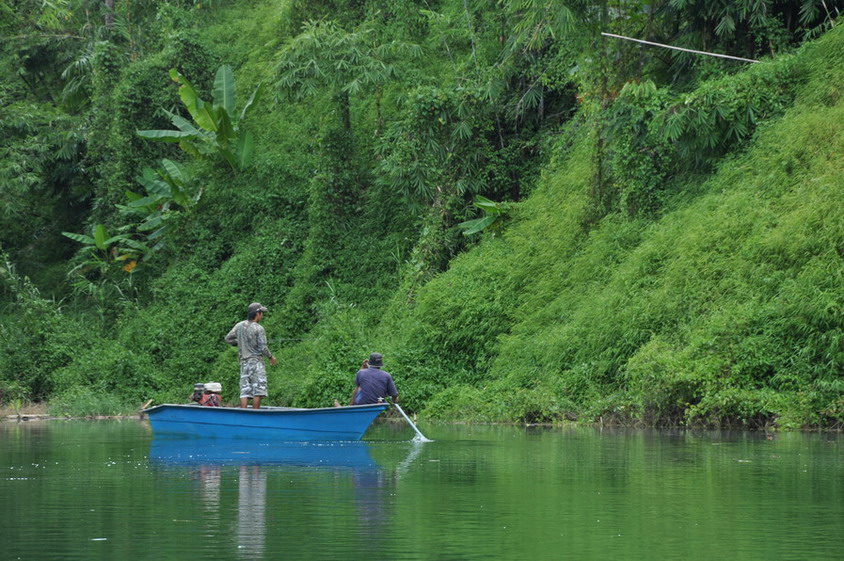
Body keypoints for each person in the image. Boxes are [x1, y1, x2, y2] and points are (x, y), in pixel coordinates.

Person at [225, 302, 277, 409]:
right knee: (258, 390)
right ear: (257, 314)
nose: (262, 315)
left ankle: (244, 415)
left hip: (244, 362)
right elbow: (263, 347)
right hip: (256, 362)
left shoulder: (239, 326)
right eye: (261, 313)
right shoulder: (259, 328)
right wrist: (271, 357)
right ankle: (255, 414)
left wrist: (240, 342)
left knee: (244, 390)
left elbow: (228, 339)